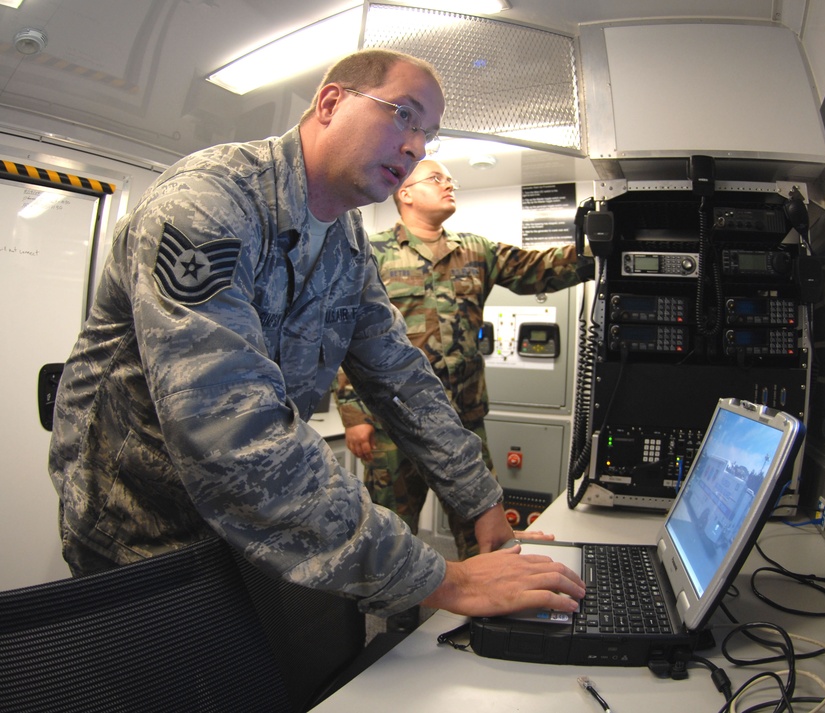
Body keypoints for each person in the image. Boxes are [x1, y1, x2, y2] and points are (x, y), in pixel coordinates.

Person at [48, 48, 584, 623]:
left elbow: (401, 377)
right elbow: (231, 434)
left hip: (243, 531)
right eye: (404, 114)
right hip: (141, 530)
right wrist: (446, 580)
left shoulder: (344, 241)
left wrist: (481, 500)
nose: (417, 148)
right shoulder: (208, 205)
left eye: (429, 134)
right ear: (331, 103)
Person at [335, 159, 592, 565]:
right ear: (405, 193)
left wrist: (597, 249)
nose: (449, 185)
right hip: (392, 425)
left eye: (451, 179)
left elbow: (539, 270)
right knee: (393, 535)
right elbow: (347, 335)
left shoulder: (475, 250)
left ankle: (485, 618)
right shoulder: (372, 253)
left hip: (462, 424)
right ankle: (400, 624)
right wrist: (354, 415)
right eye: (436, 178)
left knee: (483, 529)